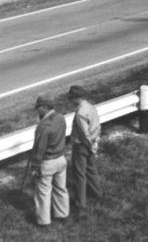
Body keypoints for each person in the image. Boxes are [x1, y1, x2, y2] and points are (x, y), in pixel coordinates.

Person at [29, 95, 69, 227]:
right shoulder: (61, 117)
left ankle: (44, 222)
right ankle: (62, 215)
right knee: (60, 188)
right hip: (61, 158)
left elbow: (39, 149)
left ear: (45, 107)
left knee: (43, 192)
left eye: (38, 108)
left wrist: (34, 166)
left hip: (47, 162)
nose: (37, 111)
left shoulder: (43, 126)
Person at [67, 86, 103, 217]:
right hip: (92, 142)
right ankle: (97, 193)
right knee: (91, 169)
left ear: (77, 98)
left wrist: (89, 145)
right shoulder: (91, 107)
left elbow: (84, 133)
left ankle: (80, 203)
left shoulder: (80, 113)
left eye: (71, 98)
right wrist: (95, 143)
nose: (70, 101)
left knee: (79, 174)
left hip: (82, 145)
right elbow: (97, 126)